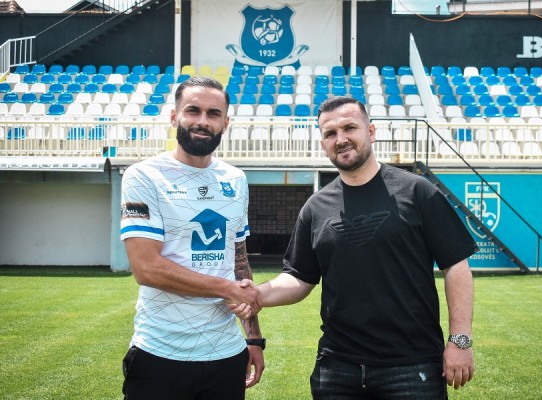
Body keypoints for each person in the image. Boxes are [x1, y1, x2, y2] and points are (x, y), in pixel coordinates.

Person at [236, 96, 478, 399]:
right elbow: (299, 278)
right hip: (337, 367)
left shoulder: (418, 192)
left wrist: (460, 340)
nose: (341, 139)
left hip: (411, 365)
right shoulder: (315, 207)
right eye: (330, 133)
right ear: (323, 144)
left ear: (371, 132)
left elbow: (456, 266)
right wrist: (258, 295)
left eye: (349, 128)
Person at [120, 76, 264, 400]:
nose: (203, 121)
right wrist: (225, 288)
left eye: (213, 114)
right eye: (193, 110)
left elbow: (239, 262)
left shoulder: (236, 180)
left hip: (227, 354)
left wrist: (253, 338)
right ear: (175, 117)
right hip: (160, 353)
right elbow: (146, 268)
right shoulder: (143, 176)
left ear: (225, 123)